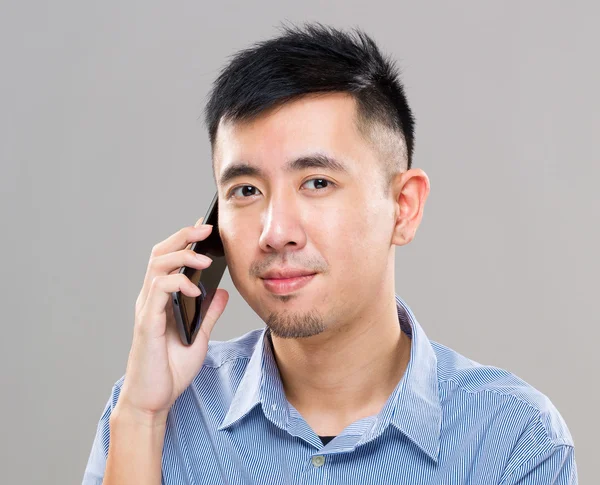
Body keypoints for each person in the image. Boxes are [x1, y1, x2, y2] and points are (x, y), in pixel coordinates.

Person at [82, 22, 577, 484]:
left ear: (403, 207)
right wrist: (142, 419)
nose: (276, 233)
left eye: (317, 182)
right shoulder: (150, 409)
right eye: (246, 191)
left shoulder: (513, 438)